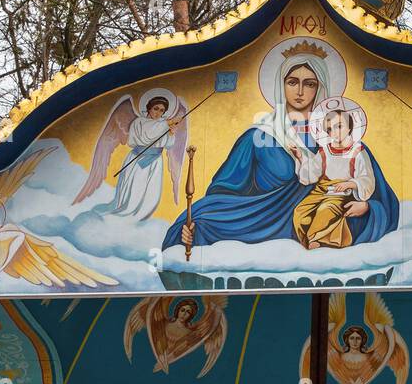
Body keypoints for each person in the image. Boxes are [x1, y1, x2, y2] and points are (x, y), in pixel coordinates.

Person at [162, 42, 397, 249]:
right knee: (199, 221)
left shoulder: (345, 143)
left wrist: (366, 208)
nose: (300, 91)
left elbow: (383, 201)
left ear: (321, 87)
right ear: (280, 85)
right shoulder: (258, 138)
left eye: (310, 83)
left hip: (324, 221)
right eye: (293, 82)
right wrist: (196, 221)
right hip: (259, 223)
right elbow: (224, 191)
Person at [292, 107, 376, 249]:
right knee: (300, 212)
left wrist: (351, 184)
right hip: (321, 191)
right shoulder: (325, 151)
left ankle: (315, 240)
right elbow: (311, 174)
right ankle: (310, 240)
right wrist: (301, 158)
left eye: (339, 126)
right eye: (330, 129)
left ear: (349, 127)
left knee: (326, 209)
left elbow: (366, 178)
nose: (334, 132)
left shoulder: (357, 152)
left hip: (341, 193)